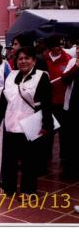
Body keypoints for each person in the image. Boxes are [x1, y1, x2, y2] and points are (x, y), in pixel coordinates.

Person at [0, 46, 53, 200]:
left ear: (33, 60)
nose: (23, 61)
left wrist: (47, 125)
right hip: (11, 122)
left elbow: (46, 102)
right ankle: (7, 187)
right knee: (9, 158)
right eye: (20, 58)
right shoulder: (11, 76)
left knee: (30, 160)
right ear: (16, 61)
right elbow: (4, 100)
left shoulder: (41, 76)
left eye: (27, 58)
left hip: (30, 123)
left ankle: (28, 191)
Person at [43, 35, 71, 170]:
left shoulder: (68, 59)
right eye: (56, 45)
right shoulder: (43, 59)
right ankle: (45, 157)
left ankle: (64, 158)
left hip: (62, 102)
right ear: (50, 46)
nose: (60, 47)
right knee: (47, 132)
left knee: (64, 133)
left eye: (62, 44)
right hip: (47, 102)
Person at [60, 44, 79, 177]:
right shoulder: (72, 61)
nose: (78, 50)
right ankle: (70, 168)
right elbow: (64, 79)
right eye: (77, 48)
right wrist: (76, 66)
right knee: (70, 137)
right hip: (70, 106)